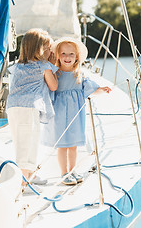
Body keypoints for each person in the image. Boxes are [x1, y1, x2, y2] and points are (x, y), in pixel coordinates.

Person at [41, 37, 111, 185]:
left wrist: (101, 89)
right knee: (63, 145)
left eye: (71, 54)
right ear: (58, 55)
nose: (67, 57)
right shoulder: (56, 73)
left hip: (75, 115)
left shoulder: (79, 74)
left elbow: (90, 89)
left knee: (73, 144)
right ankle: (64, 172)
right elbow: (47, 90)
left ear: (77, 57)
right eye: (64, 54)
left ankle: (72, 170)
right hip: (59, 114)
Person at [6, 28, 58, 188]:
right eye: (48, 48)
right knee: (29, 144)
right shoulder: (44, 66)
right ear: (40, 49)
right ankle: (23, 183)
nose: (50, 51)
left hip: (13, 107)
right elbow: (53, 86)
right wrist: (54, 64)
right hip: (28, 109)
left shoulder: (19, 66)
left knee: (21, 142)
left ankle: (30, 175)